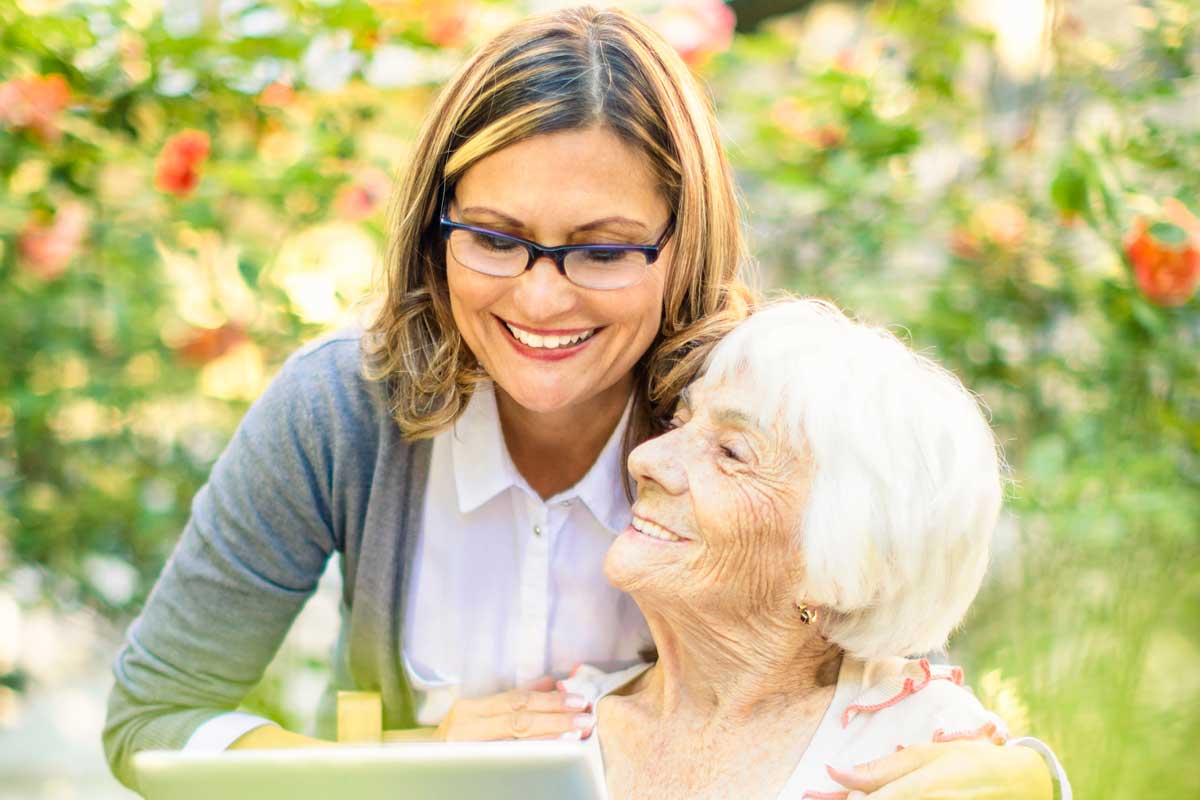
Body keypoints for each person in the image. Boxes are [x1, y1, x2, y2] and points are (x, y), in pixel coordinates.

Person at [103, 6, 1063, 797]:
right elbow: (155, 715)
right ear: (436, 227)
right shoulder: (340, 415)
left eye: (601, 251)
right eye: (494, 239)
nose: (540, 298)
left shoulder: (745, 410)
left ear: (682, 242)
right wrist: (408, 767)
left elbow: (889, 643)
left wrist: (1028, 774)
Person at [561, 298, 1070, 799]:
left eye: (731, 452)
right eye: (679, 422)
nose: (647, 459)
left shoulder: (926, 741)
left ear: (843, 558)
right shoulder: (556, 725)